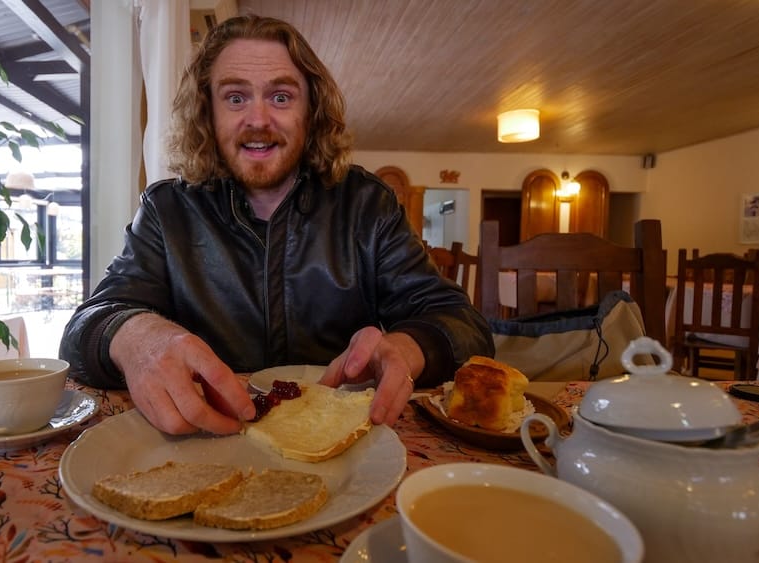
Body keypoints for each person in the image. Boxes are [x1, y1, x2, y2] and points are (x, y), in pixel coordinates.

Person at [59, 15, 493, 436]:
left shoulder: (367, 204)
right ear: (207, 112)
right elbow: (83, 333)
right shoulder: (166, 210)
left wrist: (406, 347)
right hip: (205, 439)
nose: (259, 120)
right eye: (235, 98)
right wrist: (136, 336)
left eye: (281, 97)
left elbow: (464, 325)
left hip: (341, 438)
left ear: (311, 110)